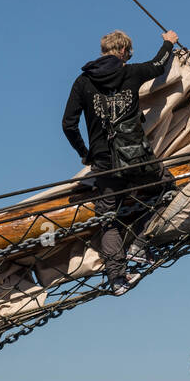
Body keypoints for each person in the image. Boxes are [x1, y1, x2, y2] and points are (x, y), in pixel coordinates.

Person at [61, 27, 178, 295]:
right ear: (124, 51)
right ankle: (139, 242)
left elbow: (68, 124)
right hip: (136, 157)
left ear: (104, 50)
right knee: (166, 188)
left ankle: (117, 279)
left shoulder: (83, 81)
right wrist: (169, 43)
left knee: (108, 219)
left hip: (103, 161)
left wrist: (85, 152)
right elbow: (158, 66)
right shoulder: (130, 71)